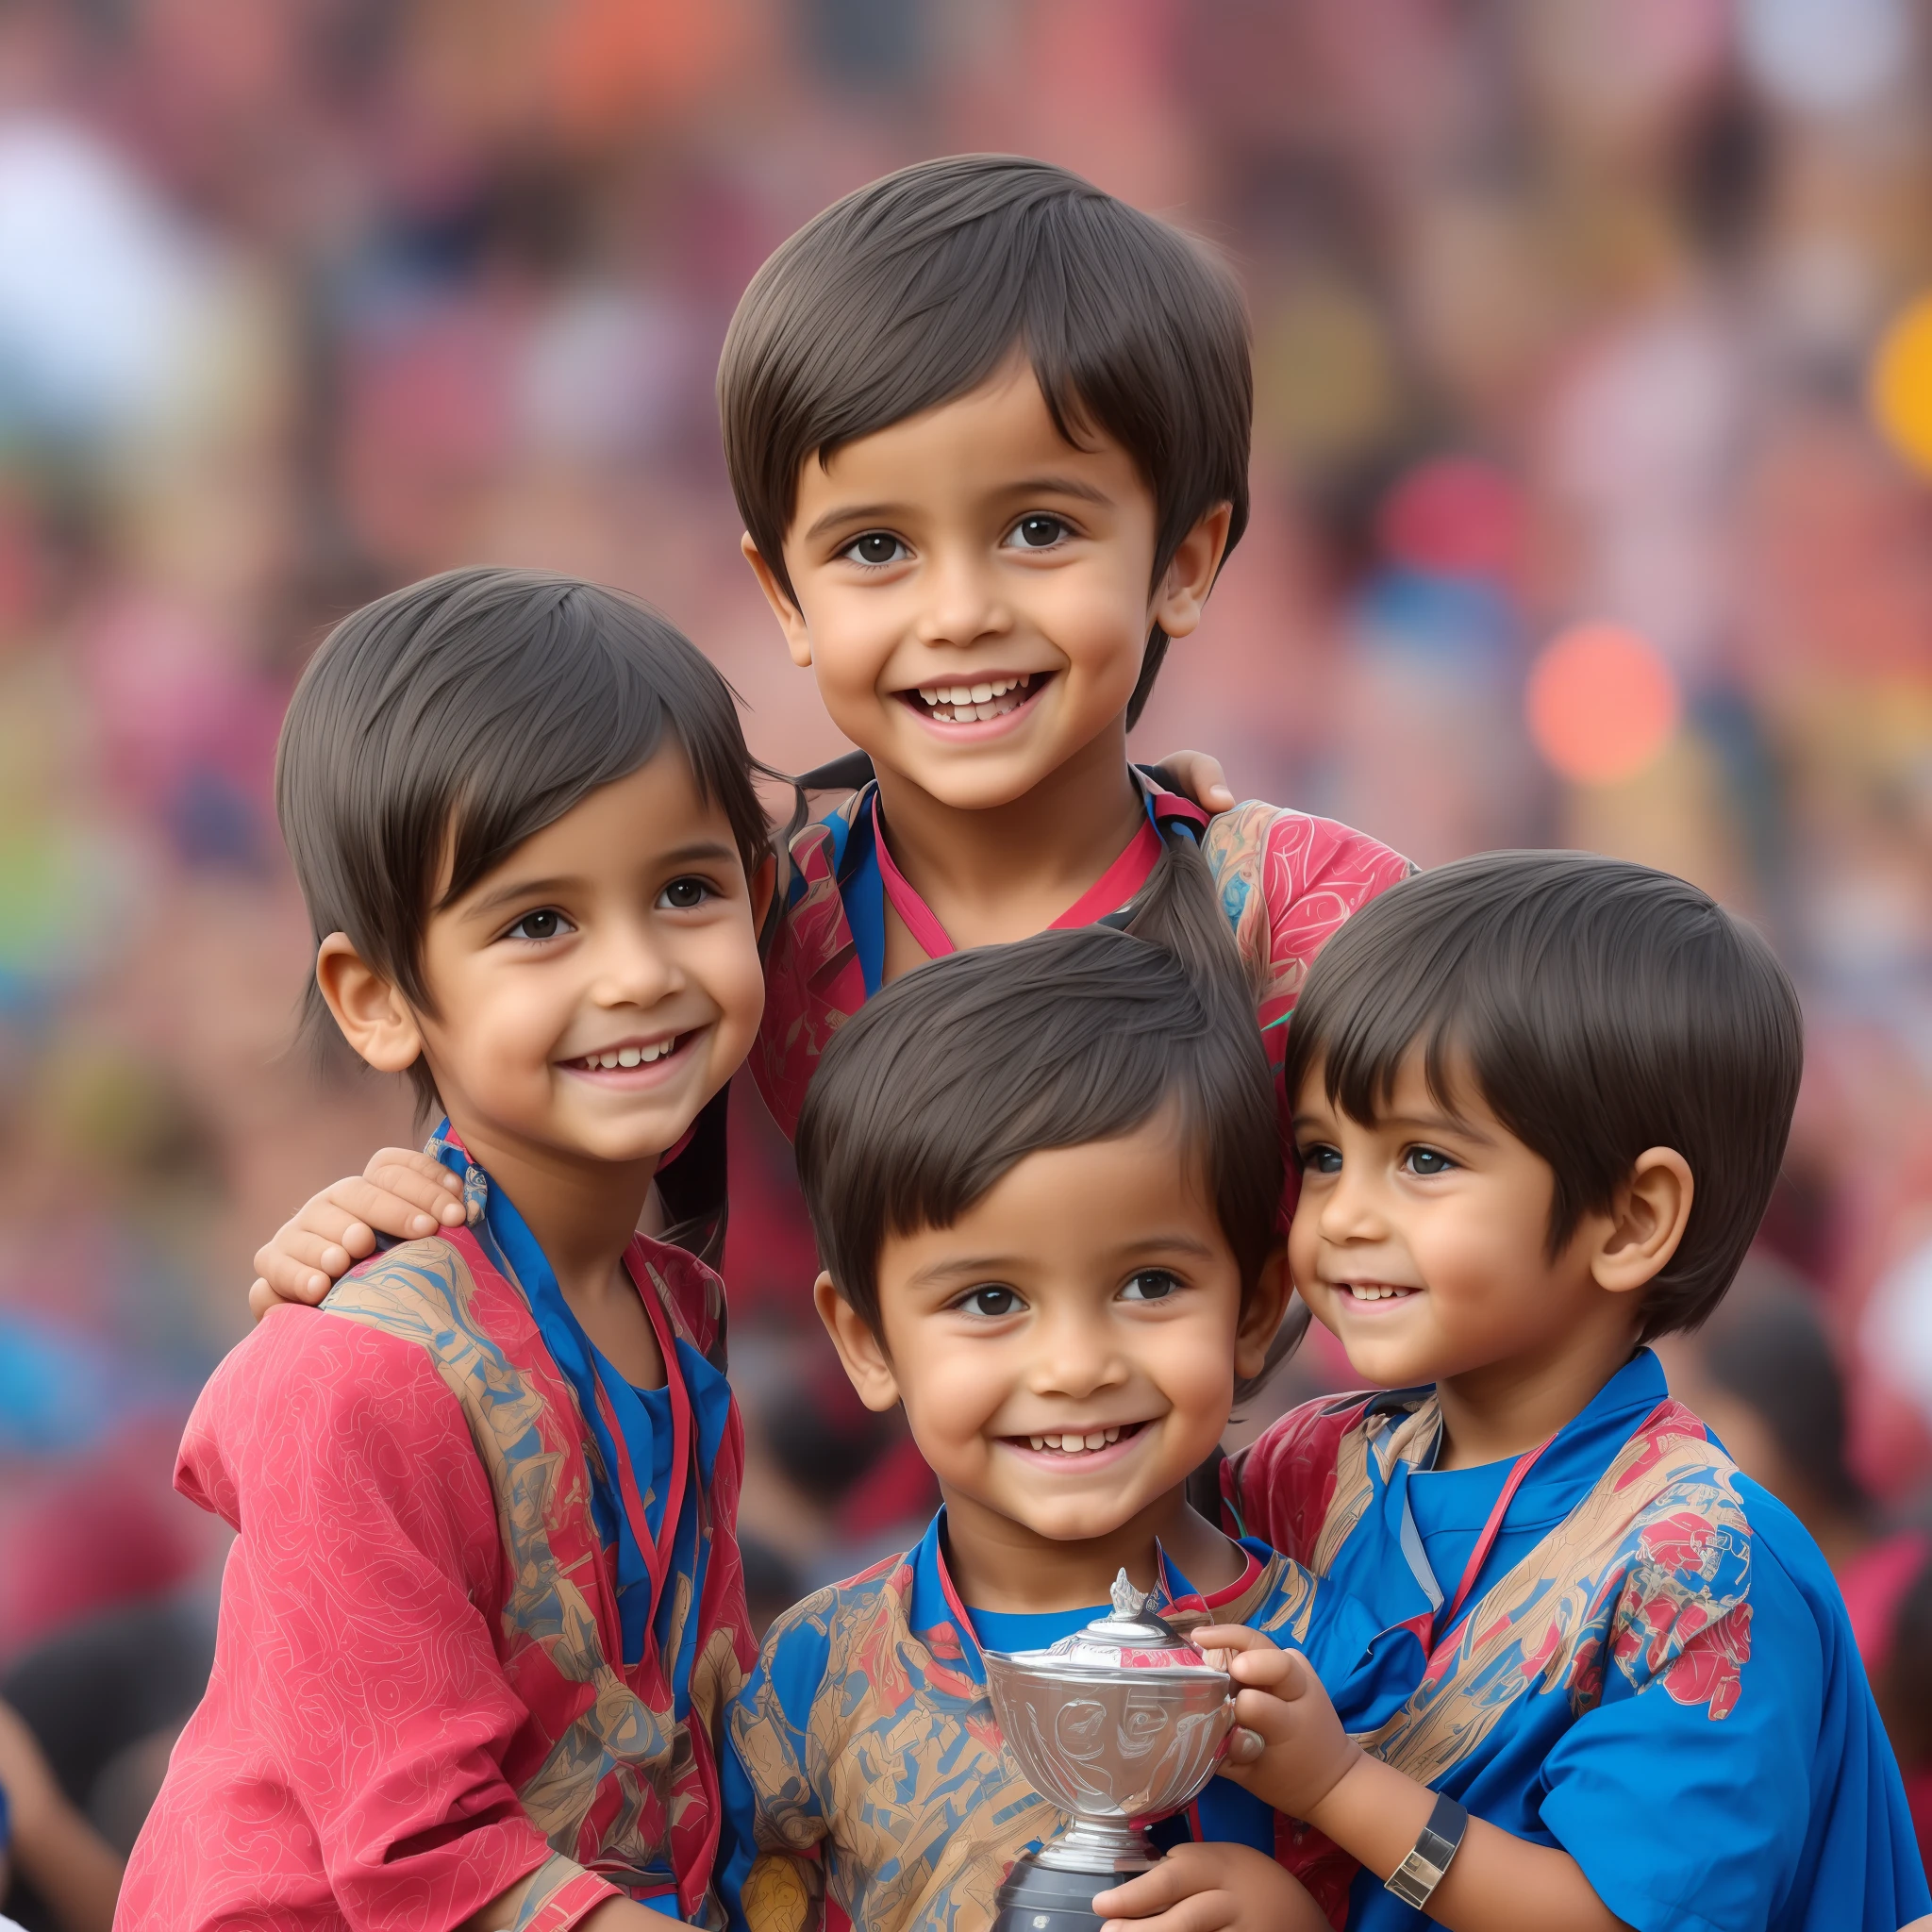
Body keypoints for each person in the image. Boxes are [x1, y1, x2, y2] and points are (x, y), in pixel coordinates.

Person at [242, 154, 1409, 1318]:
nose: (958, 612)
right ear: (785, 595)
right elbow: (534, 1177)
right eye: (875, 549)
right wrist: (384, 1211)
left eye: (1039, 528)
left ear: (1183, 560)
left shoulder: (1317, 928)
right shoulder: (731, 925)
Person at [1094, 852, 1930, 1932]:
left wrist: (1338, 1786)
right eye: (1321, 1154)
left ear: (1630, 1219)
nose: (1342, 1213)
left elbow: (1624, 1919)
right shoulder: (1308, 1467)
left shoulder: (1699, 1562)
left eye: (1423, 1159)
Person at [117, 569, 776, 1929]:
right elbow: (421, 1858)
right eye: (540, 923)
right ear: (377, 1003)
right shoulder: (352, 1378)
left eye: (687, 890)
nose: (639, 971)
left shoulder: (673, 1308)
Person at [721, 925, 1404, 1932]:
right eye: (992, 1298)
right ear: (866, 1341)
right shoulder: (815, 1667)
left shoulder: (1329, 1660)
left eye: (1148, 1283)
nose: (1076, 1364)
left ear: (1253, 1310)